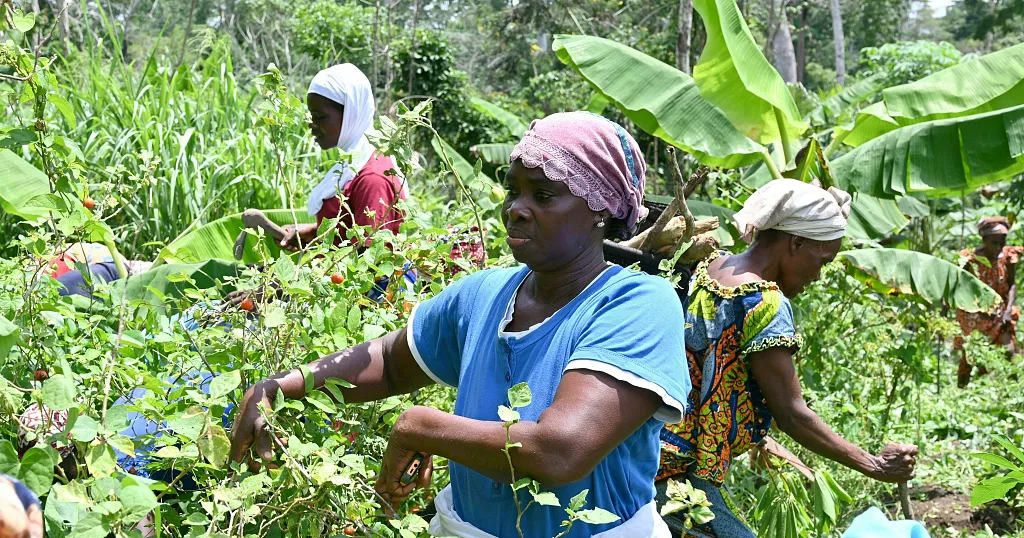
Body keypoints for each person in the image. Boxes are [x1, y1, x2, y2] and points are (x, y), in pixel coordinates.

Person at [229, 112, 692, 537]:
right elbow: (391, 362)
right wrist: (279, 387)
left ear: (602, 209)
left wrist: (421, 426)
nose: (516, 208)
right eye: (513, 191)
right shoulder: (486, 294)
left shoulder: (637, 305)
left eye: (544, 195)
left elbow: (560, 450)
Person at [656, 179, 918, 538]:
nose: (819, 275)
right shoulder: (765, 303)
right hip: (680, 471)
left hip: (653, 450)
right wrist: (874, 465)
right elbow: (792, 413)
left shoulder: (712, 266)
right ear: (795, 242)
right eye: (822, 260)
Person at [278, 63, 406, 251]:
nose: (311, 125)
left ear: (350, 115)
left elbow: (369, 263)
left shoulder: (372, 179)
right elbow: (350, 231)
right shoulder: (353, 165)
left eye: (320, 117)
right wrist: (315, 234)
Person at [954, 216, 1022, 387]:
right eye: (994, 243)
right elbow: (961, 286)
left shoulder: (1007, 257)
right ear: (984, 240)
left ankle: (1015, 394)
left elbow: (1011, 284)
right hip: (975, 316)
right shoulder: (972, 259)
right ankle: (962, 392)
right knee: (971, 356)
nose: (998, 247)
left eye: (1002, 242)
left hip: (1000, 314)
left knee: (1010, 352)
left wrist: (1007, 310)